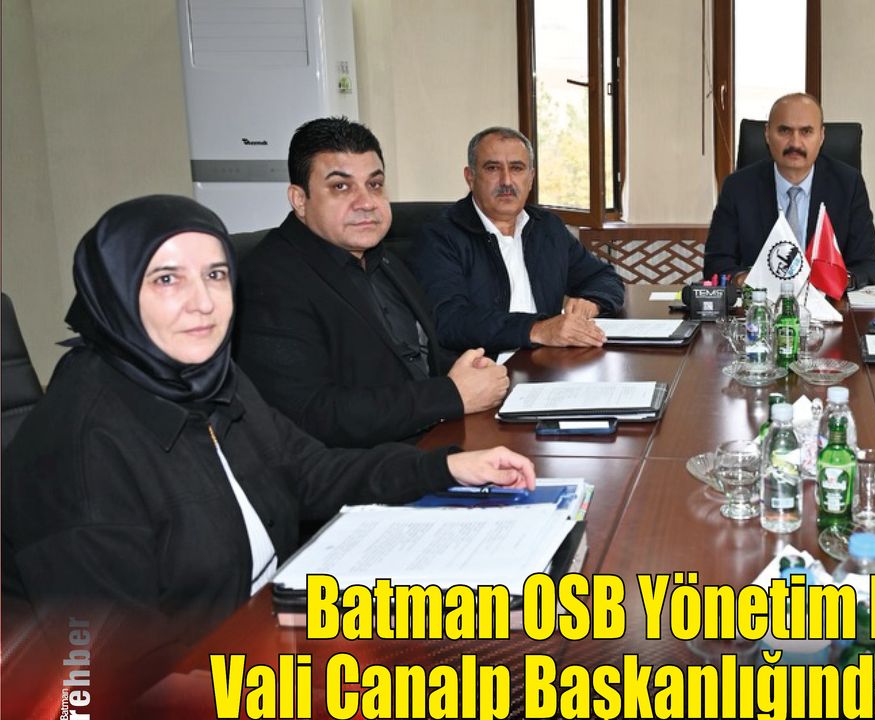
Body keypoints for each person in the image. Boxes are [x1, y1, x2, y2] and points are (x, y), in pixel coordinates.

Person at [0, 195, 535, 710]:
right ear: (114, 291)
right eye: (167, 279)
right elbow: (116, 680)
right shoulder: (78, 452)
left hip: (276, 632)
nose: (203, 302)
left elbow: (309, 470)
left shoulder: (207, 377)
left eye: (215, 274)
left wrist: (444, 466)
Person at [235, 117, 509, 448]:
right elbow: (310, 416)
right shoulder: (269, 280)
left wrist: (475, 372)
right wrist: (449, 394)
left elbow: (420, 359)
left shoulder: (381, 257)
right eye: (341, 186)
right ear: (299, 200)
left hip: (438, 437)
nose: (366, 202)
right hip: (368, 467)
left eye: (375, 184)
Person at [412, 126, 625, 353]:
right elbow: (450, 320)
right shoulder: (440, 235)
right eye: (493, 168)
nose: (506, 181)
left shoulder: (547, 227)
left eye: (517, 168)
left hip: (548, 359)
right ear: (470, 177)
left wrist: (592, 301)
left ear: (530, 178)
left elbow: (604, 277)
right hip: (481, 366)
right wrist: (536, 329)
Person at [703, 92, 875, 289]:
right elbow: (716, 262)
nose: (795, 143)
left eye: (806, 132)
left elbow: (867, 264)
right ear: (767, 134)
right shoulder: (738, 187)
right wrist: (742, 279)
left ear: (821, 136)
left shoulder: (848, 185)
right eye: (784, 131)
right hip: (759, 303)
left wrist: (842, 280)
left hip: (828, 302)